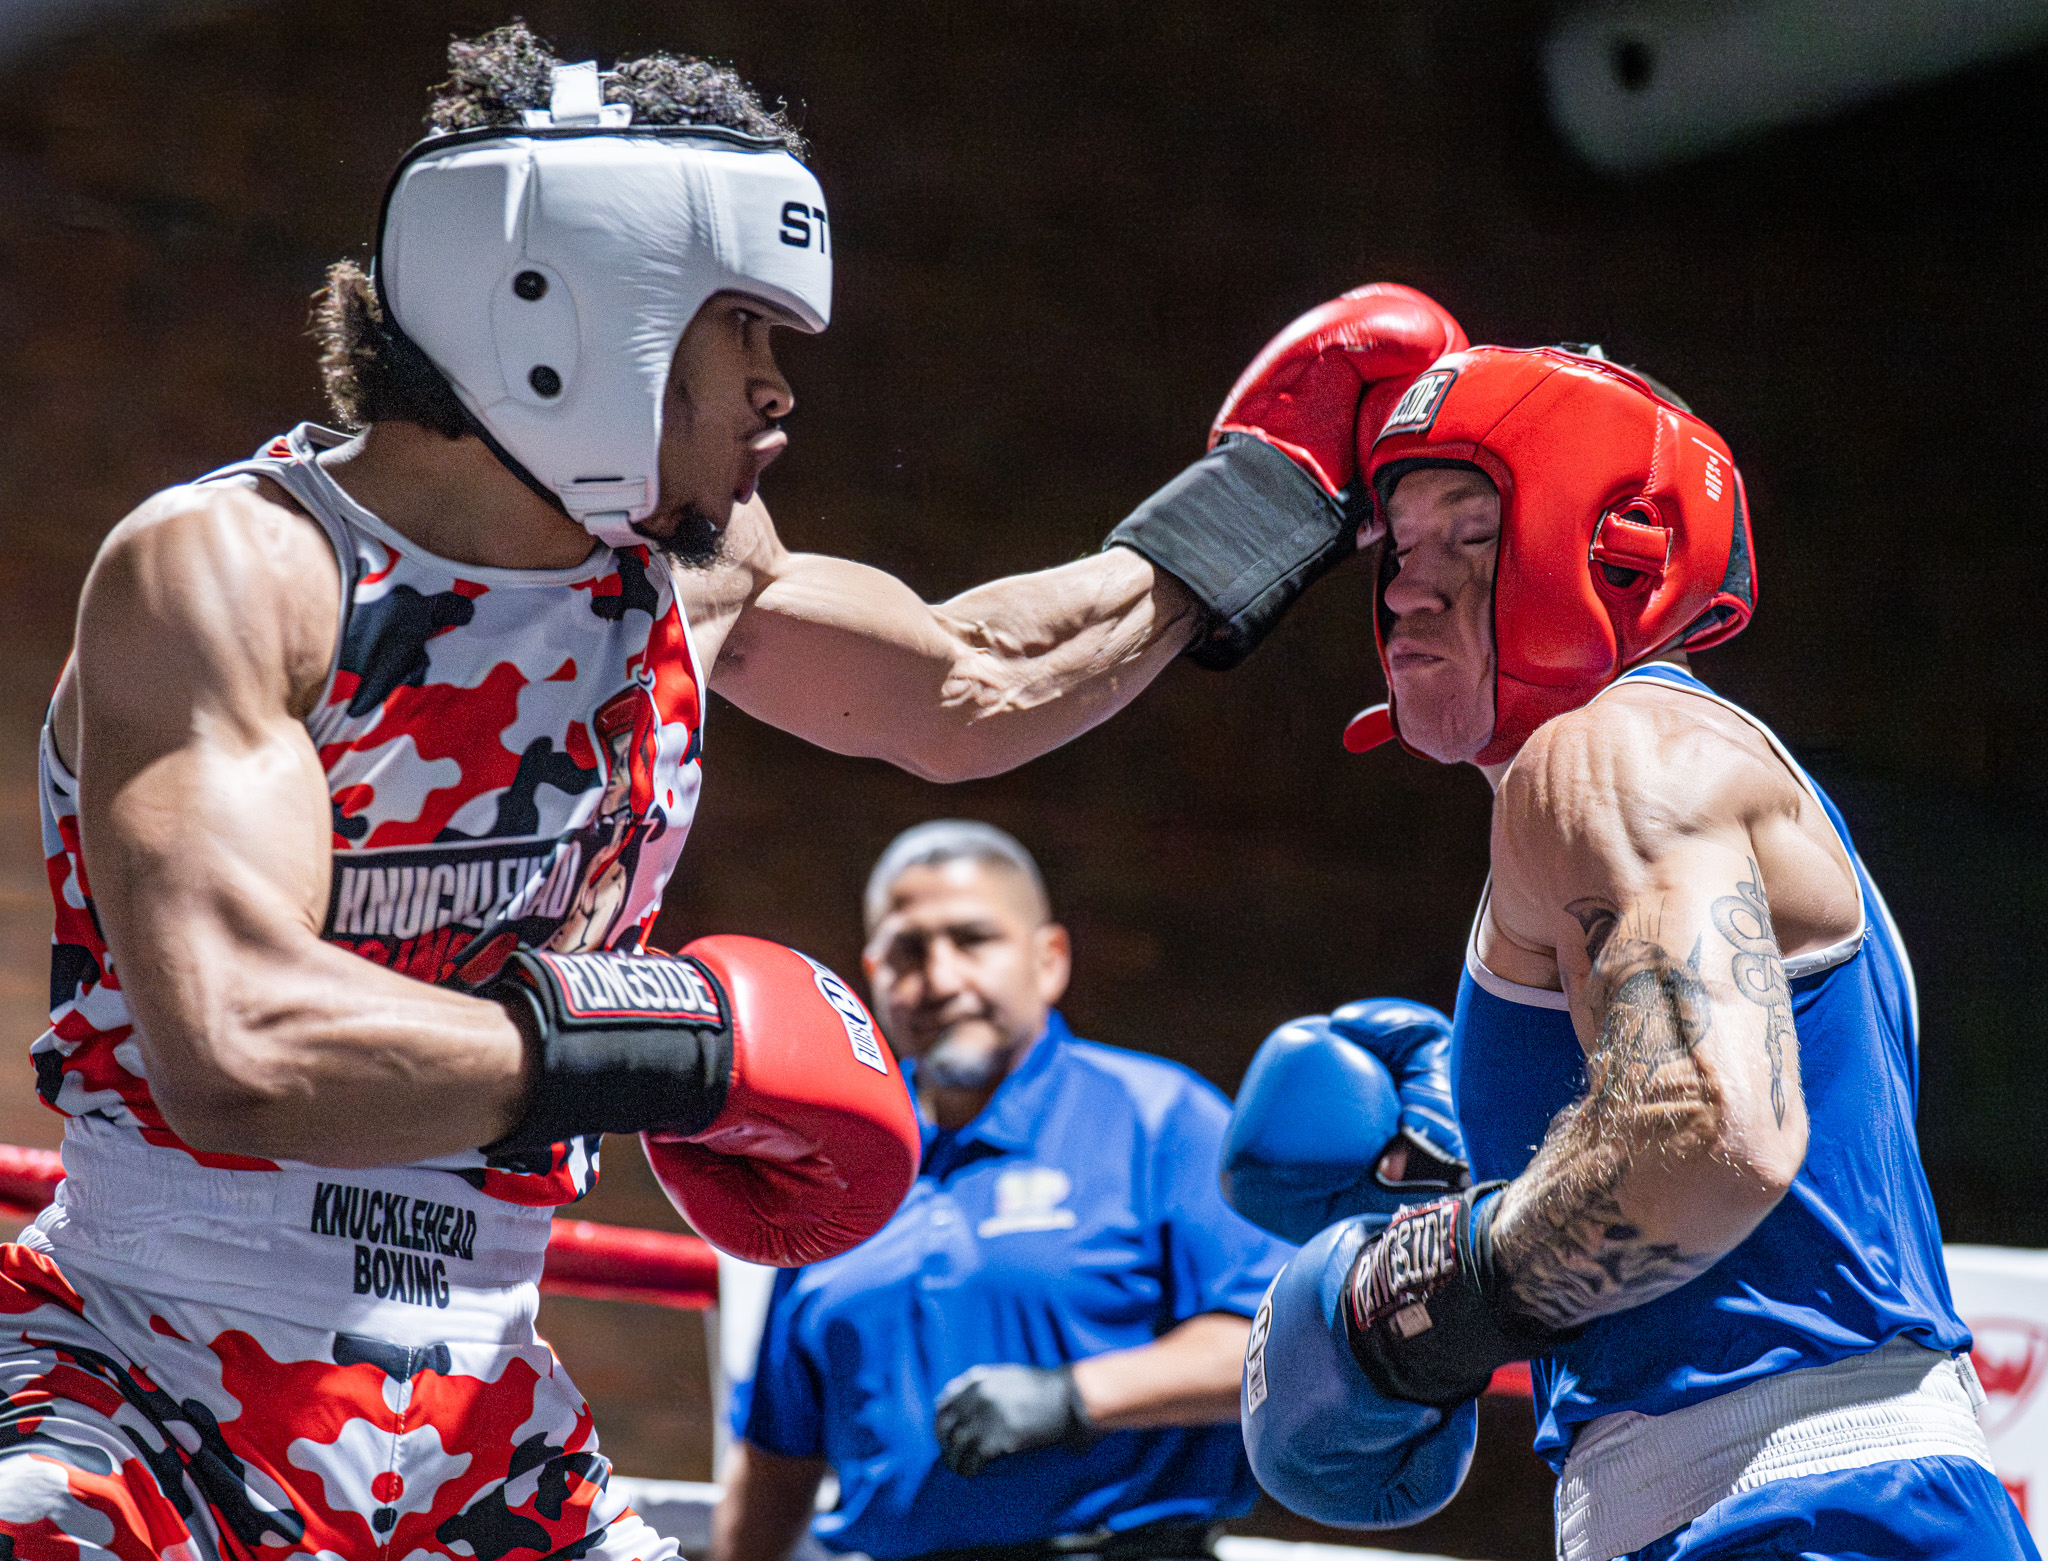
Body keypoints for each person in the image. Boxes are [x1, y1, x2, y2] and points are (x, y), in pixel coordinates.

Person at [13, 20, 1466, 1557]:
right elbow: (236, 1041)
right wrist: (676, 1050)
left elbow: (975, 682)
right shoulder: (241, 569)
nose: (780, 393)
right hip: (147, 1358)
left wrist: (1268, 502)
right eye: (742, 337)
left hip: (477, 1407)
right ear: (575, 311)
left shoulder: (689, 580)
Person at [1220, 323, 2037, 1559]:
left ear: (1615, 547)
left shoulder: (1613, 747)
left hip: (1799, 1509)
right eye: (1397, 543)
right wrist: (1477, 1197)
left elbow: (1707, 1135)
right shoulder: (1603, 792)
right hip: (1761, 1505)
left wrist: (1426, 1296)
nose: (1404, 586)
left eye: (1471, 533)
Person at [712, 822, 1294, 1561]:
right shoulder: (836, 1171)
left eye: (973, 939)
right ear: (872, 975)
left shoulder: (1159, 1118)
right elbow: (775, 1461)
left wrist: (1075, 1395)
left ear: (1048, 959)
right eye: (908, 950)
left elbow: (1275, 1343)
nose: (942, 977)